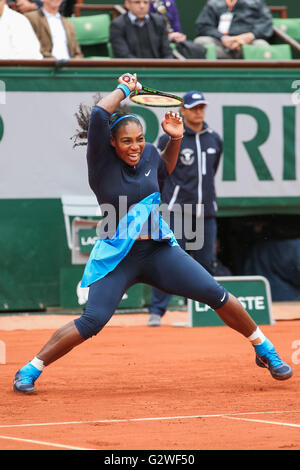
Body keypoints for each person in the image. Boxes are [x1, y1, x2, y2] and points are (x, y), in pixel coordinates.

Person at [13, 72, 292, 394]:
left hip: (159, 251)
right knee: (93, 320)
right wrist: (124, 89)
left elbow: (165, 171)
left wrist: (174, 139)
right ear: (112, 144)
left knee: (216, 293)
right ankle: (30, 368)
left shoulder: (148, 154)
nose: (135, 146)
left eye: (140, 139)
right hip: (119, 257)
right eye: (127, 141)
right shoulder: (100, 163)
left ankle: (265, 350)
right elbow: (101, 114)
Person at [148, 90, 230, 327]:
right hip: (176, 210)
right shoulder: (169, 138)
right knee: (168, 259)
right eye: (193, 108)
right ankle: (156, 311)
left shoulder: (215, 138)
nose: (198, 112)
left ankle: (206, 313)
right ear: (183, 111)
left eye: (201, 107)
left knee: (206, 263)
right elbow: (159, 172)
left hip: (206, 211)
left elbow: (211, 173)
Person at [194, 0, 273, 59]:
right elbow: (203, 26)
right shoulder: (214, 3)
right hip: (222, 45)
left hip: (248, 44)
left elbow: (266, 23)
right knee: (201, 41)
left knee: (261, 45)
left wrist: (251, 36)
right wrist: (223, 38)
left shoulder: (256, 2)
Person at [109, 0, 174, 59]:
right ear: (127, 4)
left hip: (158, 69)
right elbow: (123, 55)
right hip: (131, 70)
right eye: (137, 2)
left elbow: (167, 52)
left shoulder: (159, 21)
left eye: (145, 2)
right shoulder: (117, 25)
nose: (142, 6)